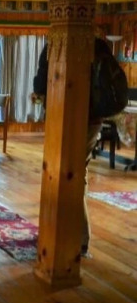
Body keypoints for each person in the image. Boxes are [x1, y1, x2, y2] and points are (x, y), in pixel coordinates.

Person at [32, 37, 125, 257]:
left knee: (63, 175)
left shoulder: (56, 44)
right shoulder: (97, 45)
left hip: (63, 117)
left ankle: (69, 236)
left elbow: (40, 85)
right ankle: (77, 237)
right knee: (77, 174)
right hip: (93, 120)